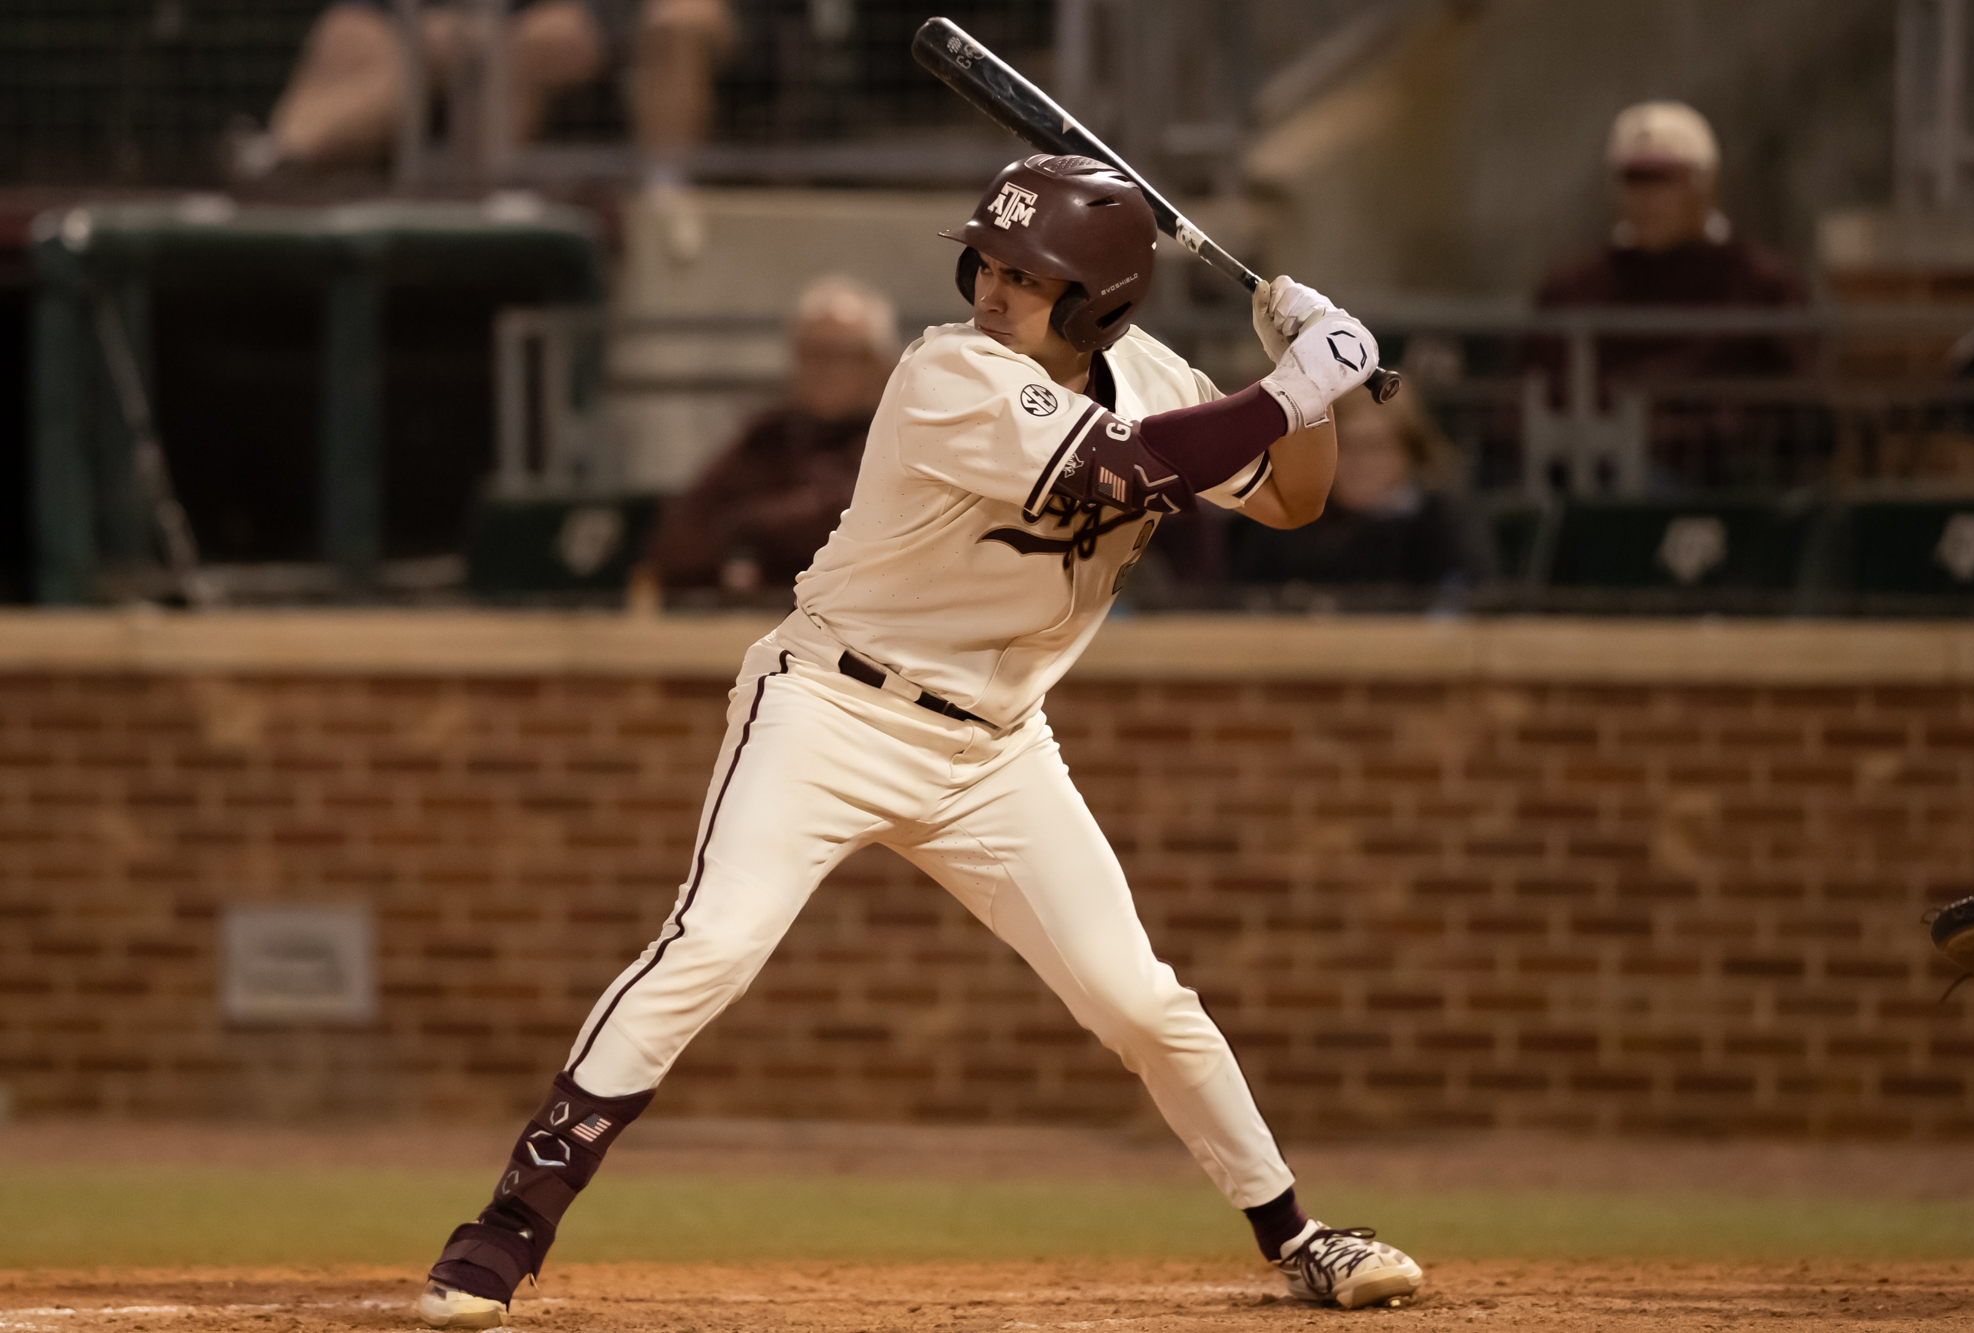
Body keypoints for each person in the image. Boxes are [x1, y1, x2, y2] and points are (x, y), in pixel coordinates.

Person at [411, 154, 1424, 1329]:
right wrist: (1296, 385)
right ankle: (506, 1225)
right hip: (832, 707)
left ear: (1099, 300)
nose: (992, 288)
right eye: (986, 263)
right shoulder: (947, 373)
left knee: (1136, 999)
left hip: (997, 748)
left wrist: (1310, 387)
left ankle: (1297, 1233)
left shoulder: (1155, 377)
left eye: (1025, 274)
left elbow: (1291, 498)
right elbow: (1119, 473)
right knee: (713, 942)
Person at [232, 0, 732, 250]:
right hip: (457, 24)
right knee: (349, 34)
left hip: (571, 26)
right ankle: (275, 162)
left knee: (523, 46)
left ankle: (465, 213)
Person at [629, 275, 896, 602]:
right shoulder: (767, 437)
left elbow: (846, 522)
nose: (820, 369)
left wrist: (749, 529)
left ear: (880, 365)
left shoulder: (899, 440)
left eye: (837, 354)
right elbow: (677, 545)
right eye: (808, 353)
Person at [1534, 100, 1809, 394]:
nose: (1644, 197)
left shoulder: (1760, 285)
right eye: (1632, 178)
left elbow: (1802, 405)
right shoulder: (1573, 290)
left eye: (1662, 179)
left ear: (1706, 184)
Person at [1231, 385, 1492, 596]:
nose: (1357, 462)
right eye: (1344, 446)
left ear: (1409, 454)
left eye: (1372, 446)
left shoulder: (1444, 526)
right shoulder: (1290, 522)